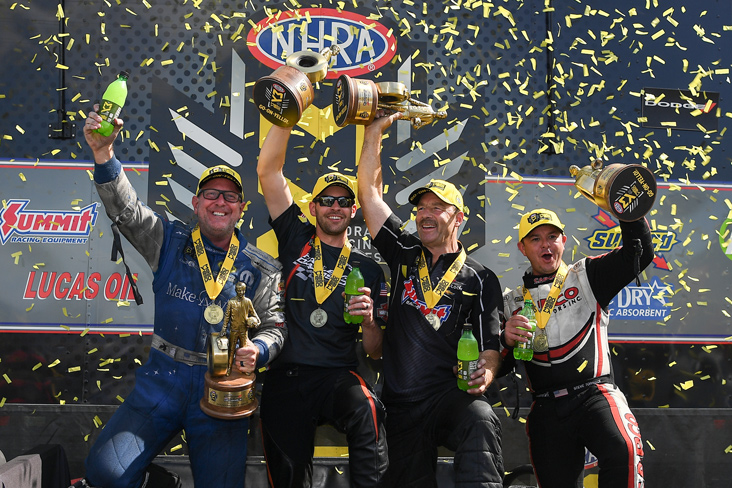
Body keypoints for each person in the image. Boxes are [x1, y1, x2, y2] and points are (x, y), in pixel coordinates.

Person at [79, 106, 286, 488]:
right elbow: (126, 210)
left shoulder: (262, 268)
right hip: (162, 379)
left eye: (230, 196)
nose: (220, 202)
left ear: (241, 209)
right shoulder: (167, 239)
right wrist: (104, 153)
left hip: (222, 386)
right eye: (211, 194)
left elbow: (275, 327)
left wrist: (258, 349)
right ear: (196, 203)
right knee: (105, 474)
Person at [356, 113, 504, 488]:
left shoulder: (480, 278)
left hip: (448, 398)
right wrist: (374, 131)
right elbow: (369, 195)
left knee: (480, 418)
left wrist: (485, 374)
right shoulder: (404, 252)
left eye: (437, 207)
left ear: (459, 218)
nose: (425, 214)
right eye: (421, 207)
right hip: (401, 402)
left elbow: (490, 347)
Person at [256, 124, 389, 487]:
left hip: (336, 376)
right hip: (286, 375)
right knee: (289, 476)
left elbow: (375, 352)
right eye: (327, 200)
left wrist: (369, 323)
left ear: (354, 210)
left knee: (367, 408)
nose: (335, 207)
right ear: (312, 207)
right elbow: (268, 172)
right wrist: (286, 117)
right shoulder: (294, 236)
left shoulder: (368, 268)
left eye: (344, 201)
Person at [500, 207, 652, 487]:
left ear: (564, 241)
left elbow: (638, 254)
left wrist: (629, 210)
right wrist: (505, 340)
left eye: (552, 236)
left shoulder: (587, 275)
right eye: (535, 239)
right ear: (522, 248)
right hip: (546, 407)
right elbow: (499, 367)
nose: (545, 245)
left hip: (594, 395)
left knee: (625, 451)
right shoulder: (510, 302)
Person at [222, 282, 261, 376]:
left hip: (244, 331)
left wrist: (257, 322)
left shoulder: (248, 301)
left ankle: (243, 369)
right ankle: (229, 368)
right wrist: (224, 329)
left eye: (243, 290)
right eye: (239, 290)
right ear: (236, 290)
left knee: (243, 351)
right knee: (231, 350)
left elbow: (254, 313)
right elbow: (227, 317)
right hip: (233, 330)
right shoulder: (231, 302)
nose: (241, 292)